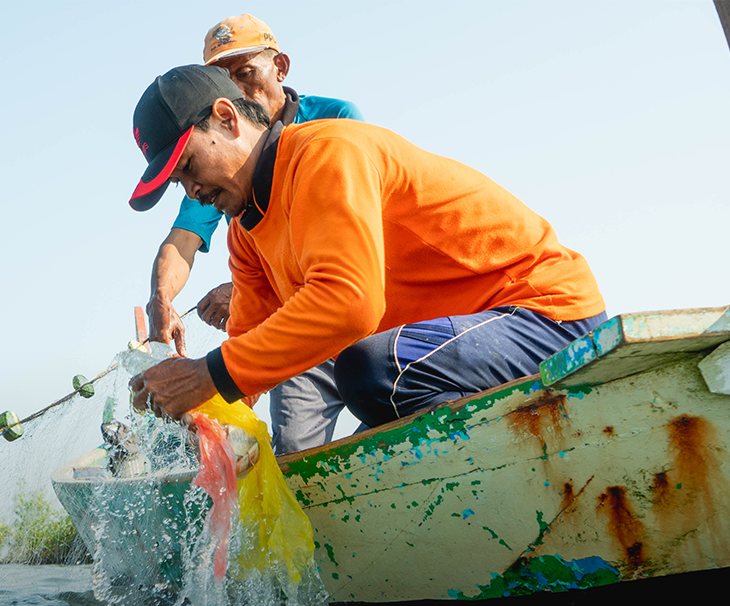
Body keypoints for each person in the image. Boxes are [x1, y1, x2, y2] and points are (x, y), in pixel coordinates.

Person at [125, 65, 606, 432]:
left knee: (372, 370)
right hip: (462, 343)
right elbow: (249, 352)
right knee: (372, 390)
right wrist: (196, 413)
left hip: (543, 316)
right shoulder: (245, 233)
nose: (191, 191)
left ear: (227, 118)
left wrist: (205, 375)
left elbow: (350, 304)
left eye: (188, 166)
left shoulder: (327, 154)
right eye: (178, 184)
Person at [142, 14, 363, 455]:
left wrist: (207, 371)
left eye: (245, 74)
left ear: (280, 66)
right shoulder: (216, 178)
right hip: (291, 330)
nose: (237, 91)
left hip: (358, 311)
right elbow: (182, 241)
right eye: (221, 80)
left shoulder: (333, 130)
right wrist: (161, 301)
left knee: (376, 377)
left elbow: (352, 275)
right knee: (293, 456)